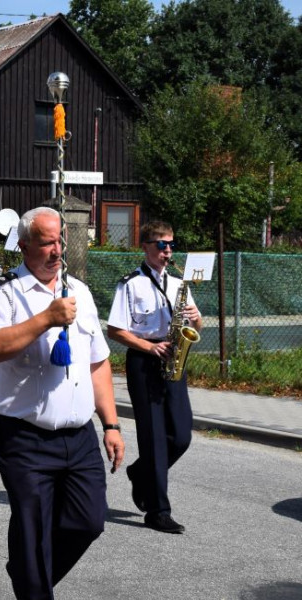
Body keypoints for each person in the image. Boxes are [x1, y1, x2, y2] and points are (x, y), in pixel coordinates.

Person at [0, 207, 124, 600]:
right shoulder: (2, 292)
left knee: (88, 521)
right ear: (24, 246)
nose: (56, 250)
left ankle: (28, 575)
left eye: (59, 242)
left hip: (77, 434)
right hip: (22, 435)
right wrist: (45, 318)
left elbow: (97, 361)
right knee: (34, 529)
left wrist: (112, 424)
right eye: (45, 242)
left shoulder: (78, 291)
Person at [107, 220, 200, 534]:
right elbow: (116, 330)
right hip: (144, 363)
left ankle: (140, 472)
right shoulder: (130, 284)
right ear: (146, 246)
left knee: (182, 435)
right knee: (155, 439)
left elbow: (195, 327)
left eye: (171, 244)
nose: (168, 250)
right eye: (162, 245)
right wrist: (148, 346)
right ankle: (158, 510)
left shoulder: (177, 284)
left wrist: (197, 320)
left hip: (174, 358)